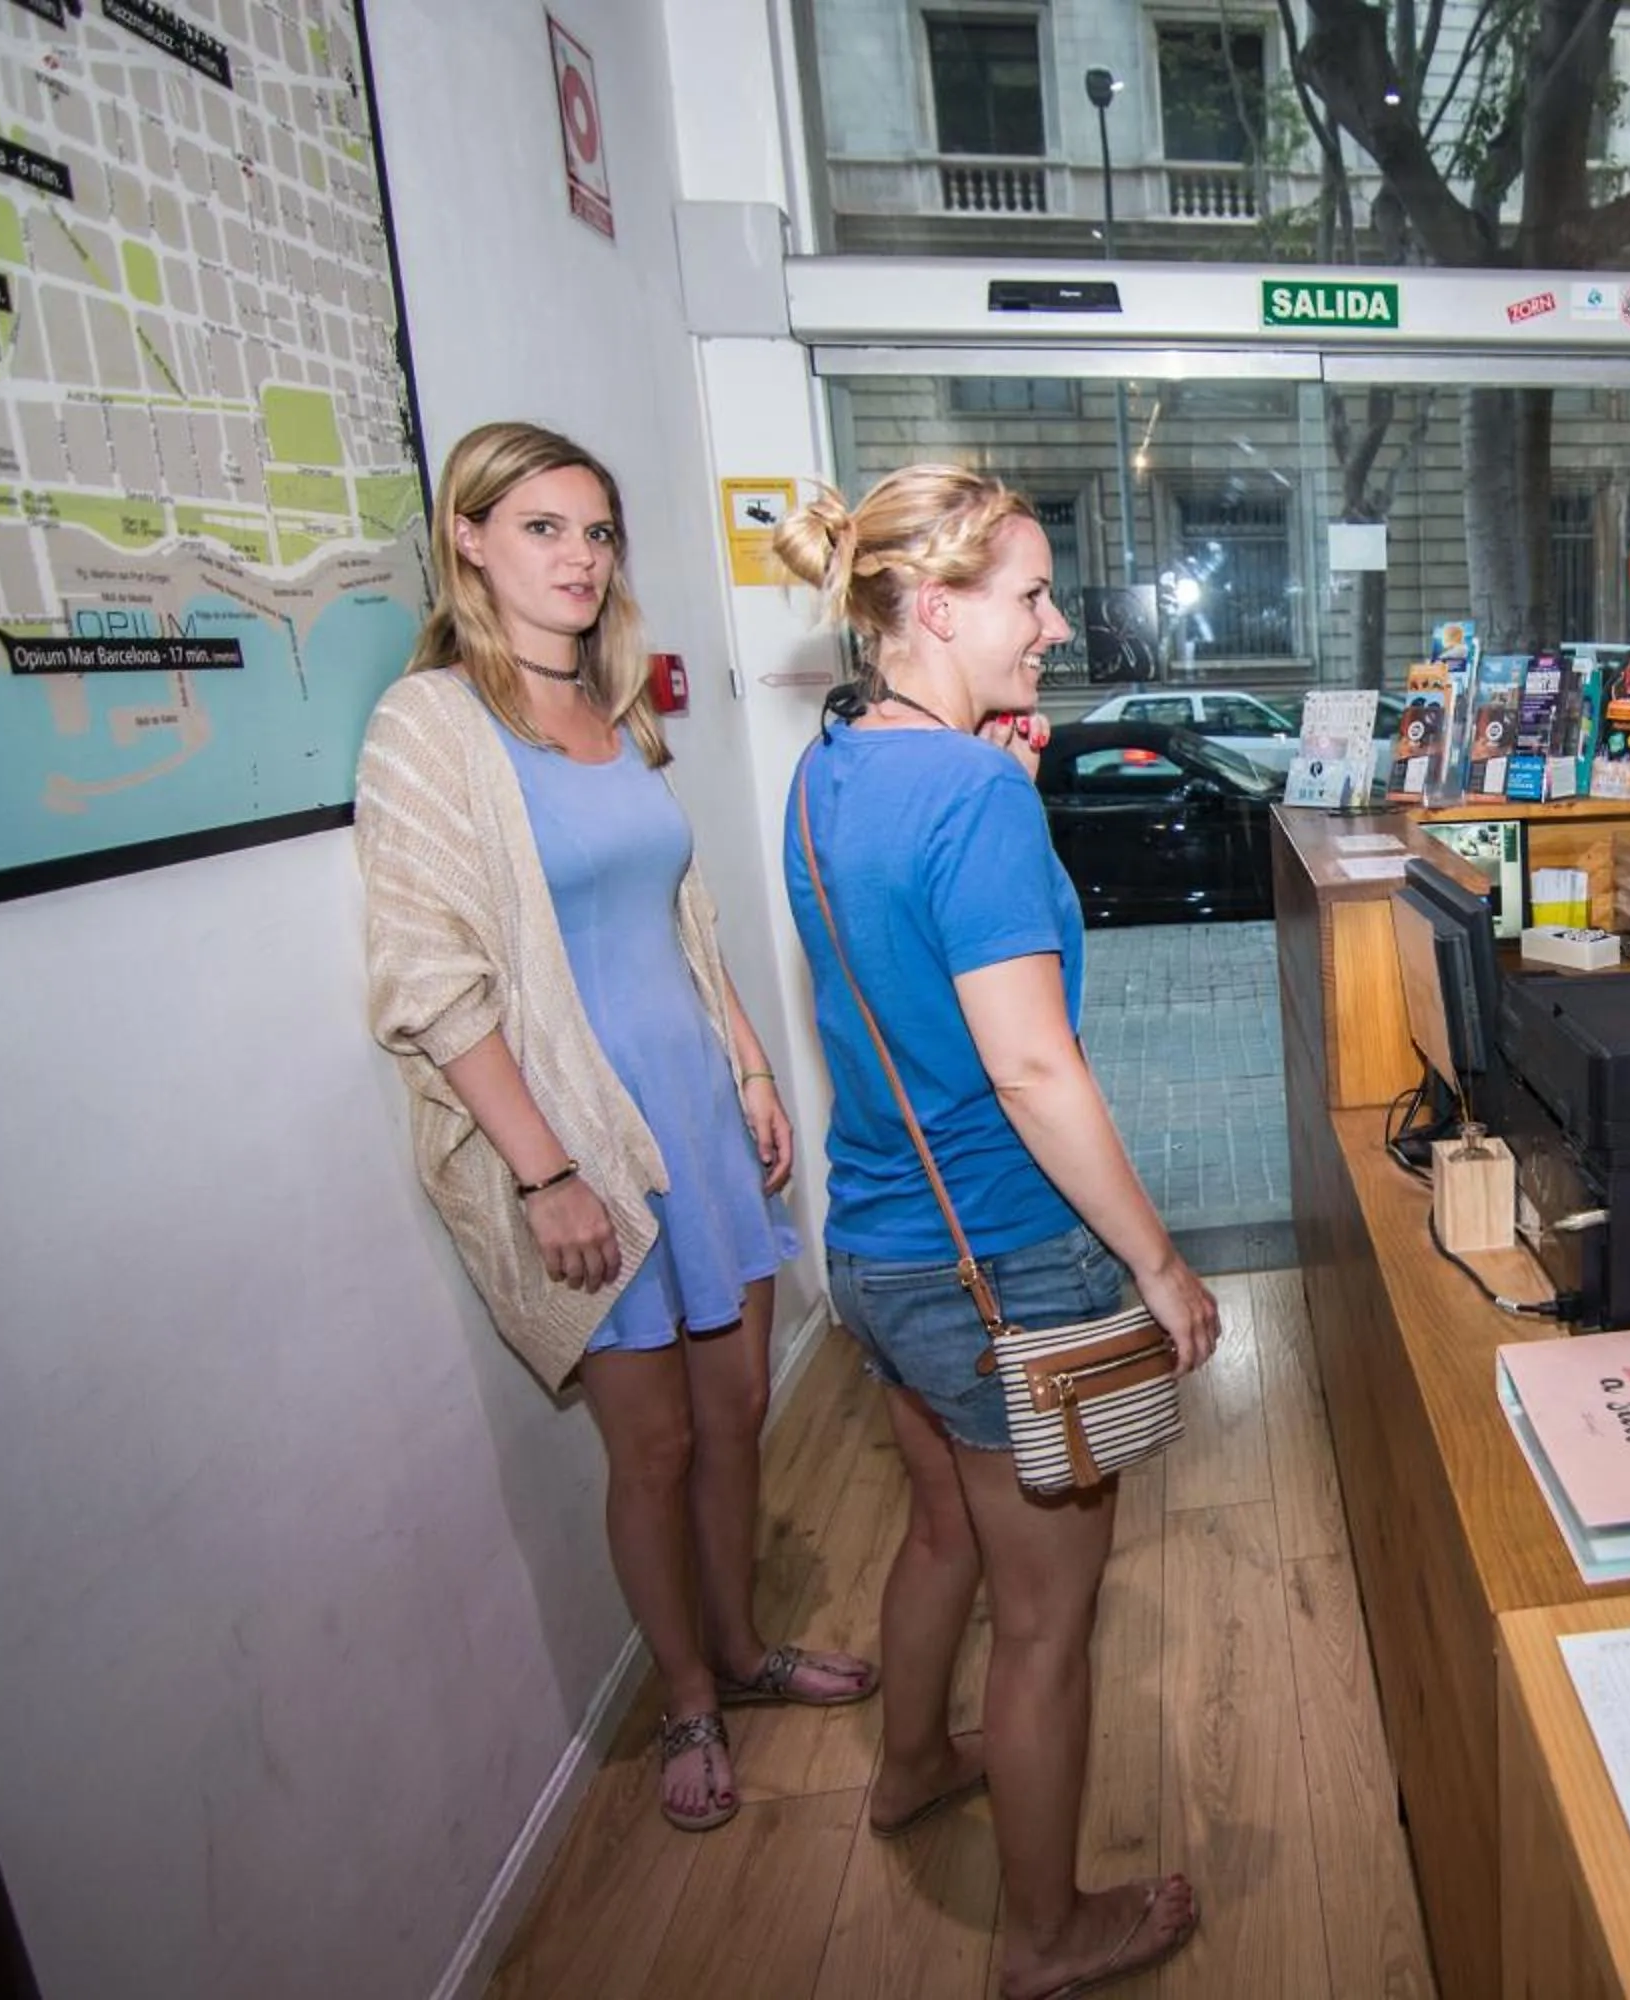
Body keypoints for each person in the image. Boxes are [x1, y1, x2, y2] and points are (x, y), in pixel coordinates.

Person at [356, 422, 871, 1837]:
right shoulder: (434, 725)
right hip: (585, 1142)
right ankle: (687, 1698)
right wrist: (547, 1173)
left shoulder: (612, 706)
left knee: (737, 1414)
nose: (579, 559)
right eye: (542, 529)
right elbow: (428, 977)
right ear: (467, 539)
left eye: (596, 533)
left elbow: (680, 923)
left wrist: (756, 1072)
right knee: (649, 1451)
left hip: (700, 1121)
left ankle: (748, 1648)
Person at [771, 466, 1218, 2000]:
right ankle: (1045, 1936)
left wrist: (997, 789)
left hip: (881, 1244)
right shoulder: (962, 792)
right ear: (937, 606)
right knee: (1046, 1623)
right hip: (1007, 1263)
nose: (1055, 623)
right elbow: (1031, 1067)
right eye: (1029, 595)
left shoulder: (829, 766)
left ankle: (905, 1767)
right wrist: (1160, 1265)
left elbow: (902, 982)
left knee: (943, 1525)